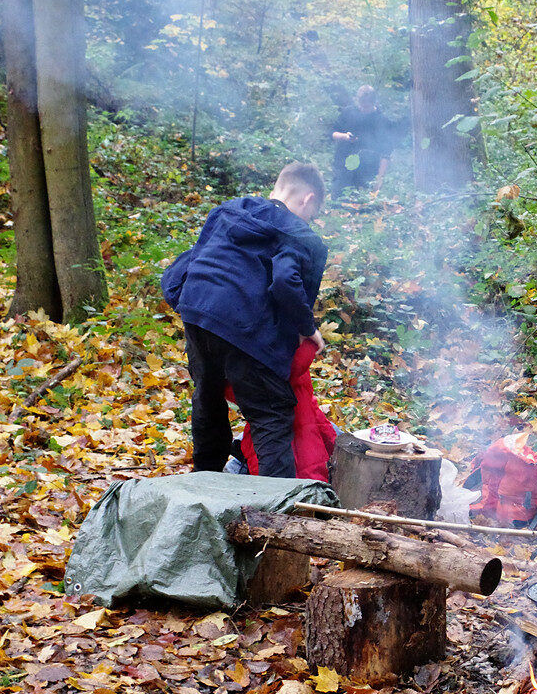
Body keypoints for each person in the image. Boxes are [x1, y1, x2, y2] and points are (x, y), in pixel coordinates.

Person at [162, 162, 330, 479]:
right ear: (307, 199)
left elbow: (178, 272)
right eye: (314, 212)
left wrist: (194, 308)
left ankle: (203, 484)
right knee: (272, 415)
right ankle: (274, 514)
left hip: (198, 316)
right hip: (246, 330)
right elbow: (284, 282)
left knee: (207, 401)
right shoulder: (296, 232)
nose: (310, 220)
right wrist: (308, 329)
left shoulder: (228, 211)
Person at [329, 85, 394, 196]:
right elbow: (332, 133)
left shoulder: (382, 121)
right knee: (338, 200)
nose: (363, 109)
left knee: (362, 204)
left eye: (366, 107)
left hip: (367, 170)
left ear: (374, 103)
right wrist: (344, 136)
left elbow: (386, 153)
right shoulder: (348, 112)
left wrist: (379, 178)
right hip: (343, 165)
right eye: (361, 106)